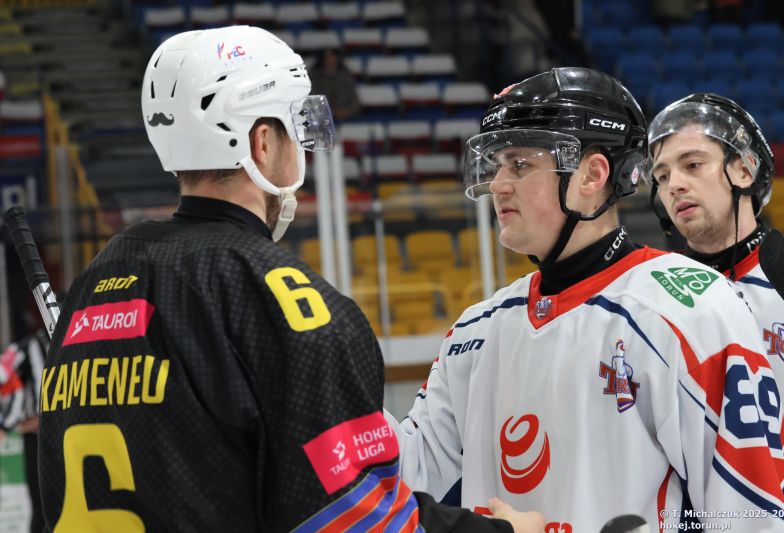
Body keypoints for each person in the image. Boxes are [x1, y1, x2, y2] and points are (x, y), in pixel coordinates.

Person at [35, 26, 545, 532]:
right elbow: (360, 520)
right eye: (294, 128)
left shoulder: (97, 282)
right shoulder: (282, 302)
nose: (302, 147)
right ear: (261, 143)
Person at [385, 67, 784, 531]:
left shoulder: (689, 308)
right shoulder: (475, 329)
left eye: (519, 164)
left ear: (592, 175)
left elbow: (751, 518)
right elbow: (406, 472)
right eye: (497, 165)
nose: (498, 184)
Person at [646, 92, 784, 527]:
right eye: (661, 175)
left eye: (693, 165)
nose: (674, 185)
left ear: (744, 170)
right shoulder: (650, 295)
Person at [0, 328, 47, 533]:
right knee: (42, 503)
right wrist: (9, 424)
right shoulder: (29, 345)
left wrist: (8, 425)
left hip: (53, 433)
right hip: (39, 435)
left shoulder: (34, 344)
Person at [308, 48, 361, 122]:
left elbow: (355, 102)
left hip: (346, 118)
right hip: (321, 119)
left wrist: (346, 111)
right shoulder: (314, 77)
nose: (329, 61)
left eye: (332, 57)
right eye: (327, 58)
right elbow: (312, 100)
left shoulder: (346, 77)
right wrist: (331, 112)